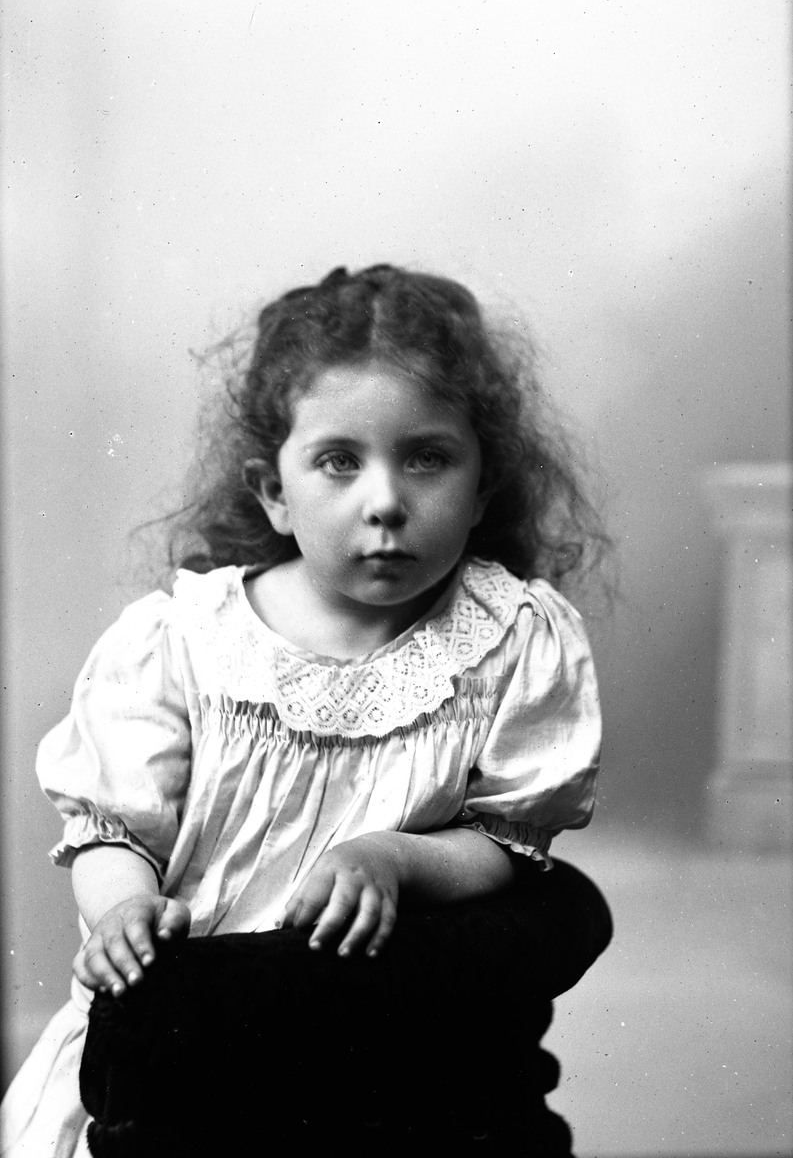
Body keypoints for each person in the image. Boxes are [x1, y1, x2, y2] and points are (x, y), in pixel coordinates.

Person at [1, 264, 608, 1156]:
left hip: (382, 1055)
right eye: (338, 462)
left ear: (482, 486)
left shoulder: (513, 636)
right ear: (274, 492)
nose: (385, 502)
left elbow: (506, 842)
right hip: (191, 1054)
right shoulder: (182, 640)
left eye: (427, 458)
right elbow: (112, 828)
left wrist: (391, 857)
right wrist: (123, 907)